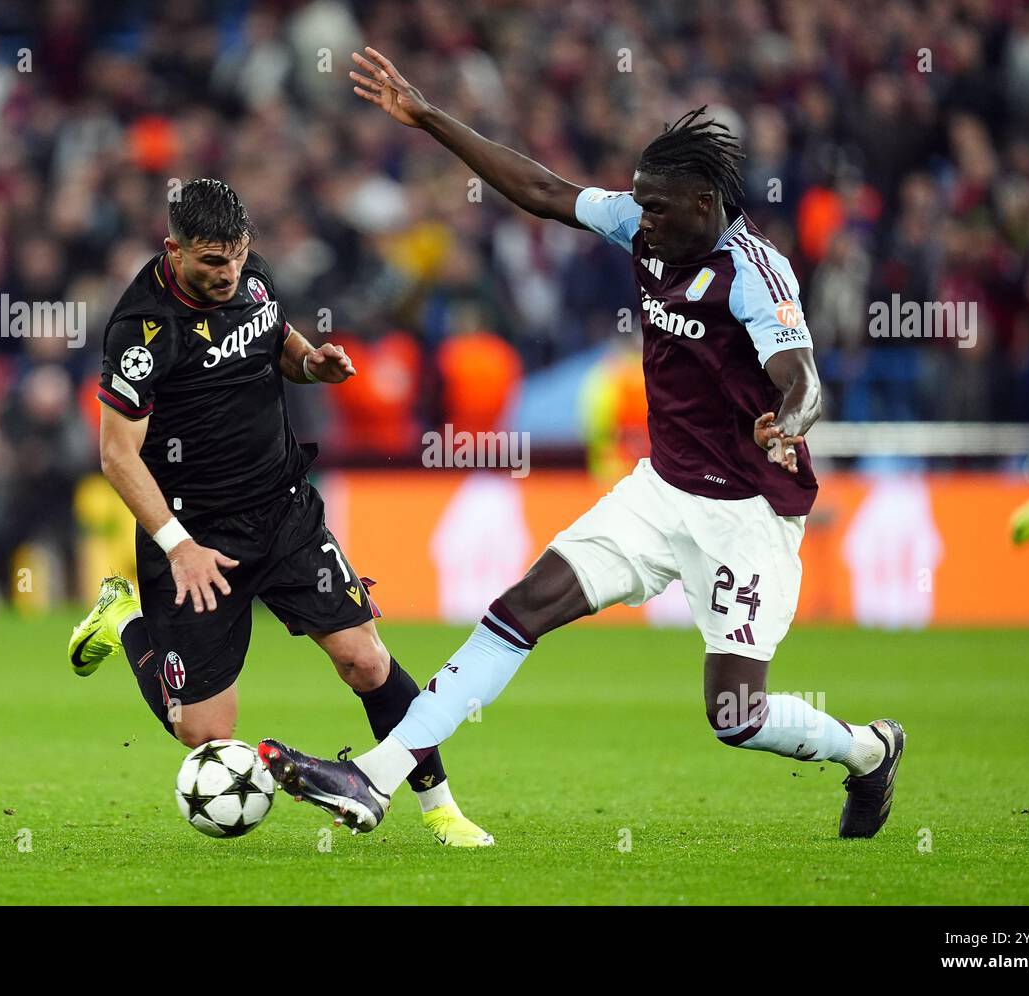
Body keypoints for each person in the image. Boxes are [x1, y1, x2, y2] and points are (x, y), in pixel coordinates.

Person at [259, 48, 905, 841]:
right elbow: (542, 190)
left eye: (659, 209)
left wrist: (790, 419)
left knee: (736, 716)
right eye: (639, 205)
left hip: (748, 513)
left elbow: (801, 376)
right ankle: (376, 778)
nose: (642, 220)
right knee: (519, 609)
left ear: (705, 202)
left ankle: (869, 751)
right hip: (661, 491)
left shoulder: (753, 274)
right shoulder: (646, 221)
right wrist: (427, 116)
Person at [67, 178, 492, 846]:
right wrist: (179, 545)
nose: (229, 272)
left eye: (237, 255)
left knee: (366, 660)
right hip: (197, 537)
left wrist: (308, 363)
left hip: (283, 509)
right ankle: (124, 620)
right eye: (212, 261)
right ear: (173, 249)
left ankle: (441, 808)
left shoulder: (252, 277)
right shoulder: (141, 331)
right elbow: (118, 455)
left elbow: (275, 336)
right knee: (204, 733)